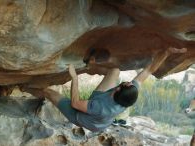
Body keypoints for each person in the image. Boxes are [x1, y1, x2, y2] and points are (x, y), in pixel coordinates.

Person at [23, 47, 186, 132]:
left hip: (83, 117)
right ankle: (90, 64)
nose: (127, 82)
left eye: (123, 85)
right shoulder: (128, 94)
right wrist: (166, 52)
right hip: (100, 102)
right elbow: (149, 71)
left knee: (50, 93)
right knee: (115, 70)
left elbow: (75, 103)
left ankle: (26, 87)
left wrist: (74, 77)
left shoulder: (100, 107)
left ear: (115, 92)